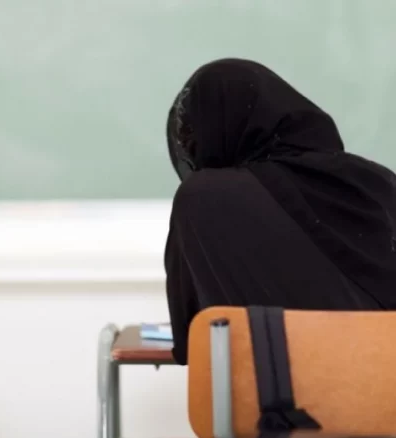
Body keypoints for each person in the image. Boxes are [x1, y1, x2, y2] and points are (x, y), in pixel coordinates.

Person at [165, 58, 396, 365]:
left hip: (285, 395)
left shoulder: (202, 199)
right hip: (385, 387)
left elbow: (189, 340)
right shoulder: (378, 181)